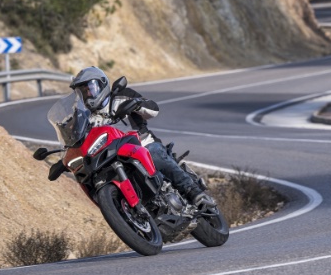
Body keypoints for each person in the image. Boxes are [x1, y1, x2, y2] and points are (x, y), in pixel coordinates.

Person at [51, 66, 216, 208]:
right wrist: (64, 159)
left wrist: (138, 104)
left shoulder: (121, 96)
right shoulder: (85, 117)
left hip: (142, 144)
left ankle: (193, 192)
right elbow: (77, 140)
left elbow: (153, 110)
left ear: (101, 85)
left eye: (90, 88)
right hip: (113, 157)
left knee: (155, 153)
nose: (87, 93)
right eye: (83, 91)